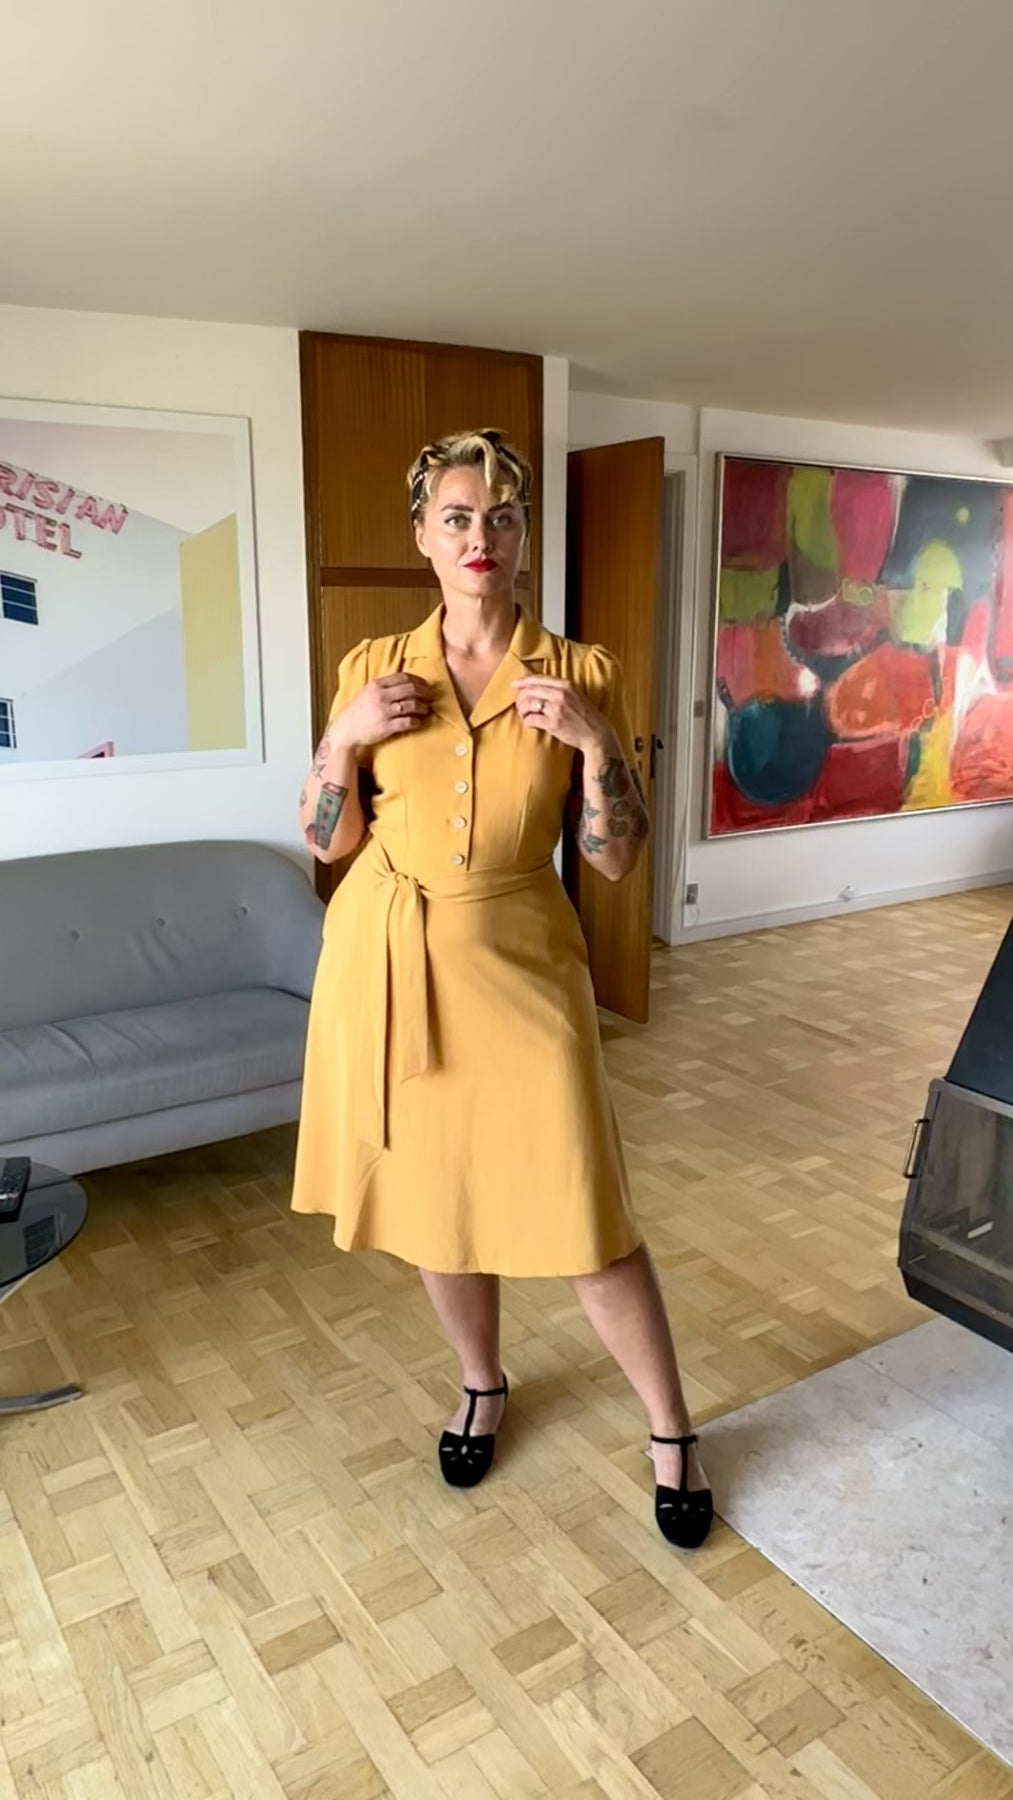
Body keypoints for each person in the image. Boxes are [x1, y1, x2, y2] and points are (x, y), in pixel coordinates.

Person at [291, 428, 712, 1549]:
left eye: (502, 518)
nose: (481, 536)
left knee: (587, 1215)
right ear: (422, 536)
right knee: (439, 1204)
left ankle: (671, 1430)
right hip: (393, 964)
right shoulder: (369, 668)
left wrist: (597, 744)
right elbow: (327, 840)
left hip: (525, 971)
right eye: (458, 517)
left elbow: (614, 861)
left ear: (525, 537)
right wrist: (341, 739)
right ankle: (480, 1383)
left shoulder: (579, 672)